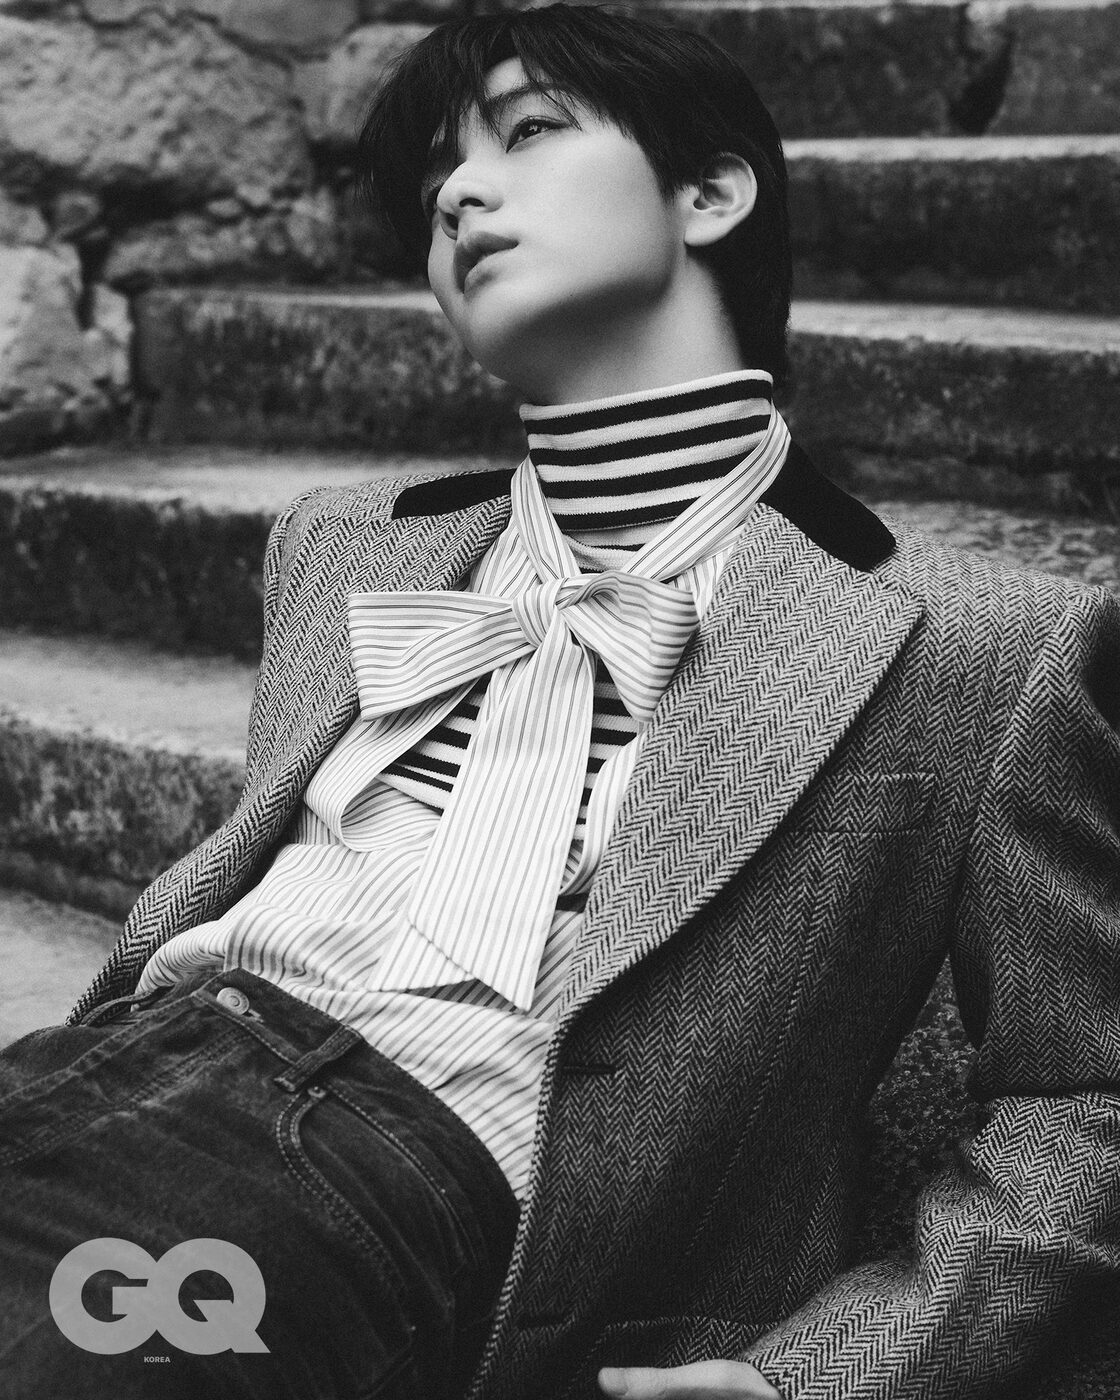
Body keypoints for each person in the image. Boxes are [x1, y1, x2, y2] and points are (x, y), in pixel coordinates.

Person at [2, 4, 1119, 1398]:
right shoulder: (346, 546)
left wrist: (830, 1373)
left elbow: (1089, 1095)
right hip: (103, 1068)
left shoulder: (981, 642)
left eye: (526, 133)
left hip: (386, 1174)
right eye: (433, 183)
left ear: (708, 193)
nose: (457, 195)